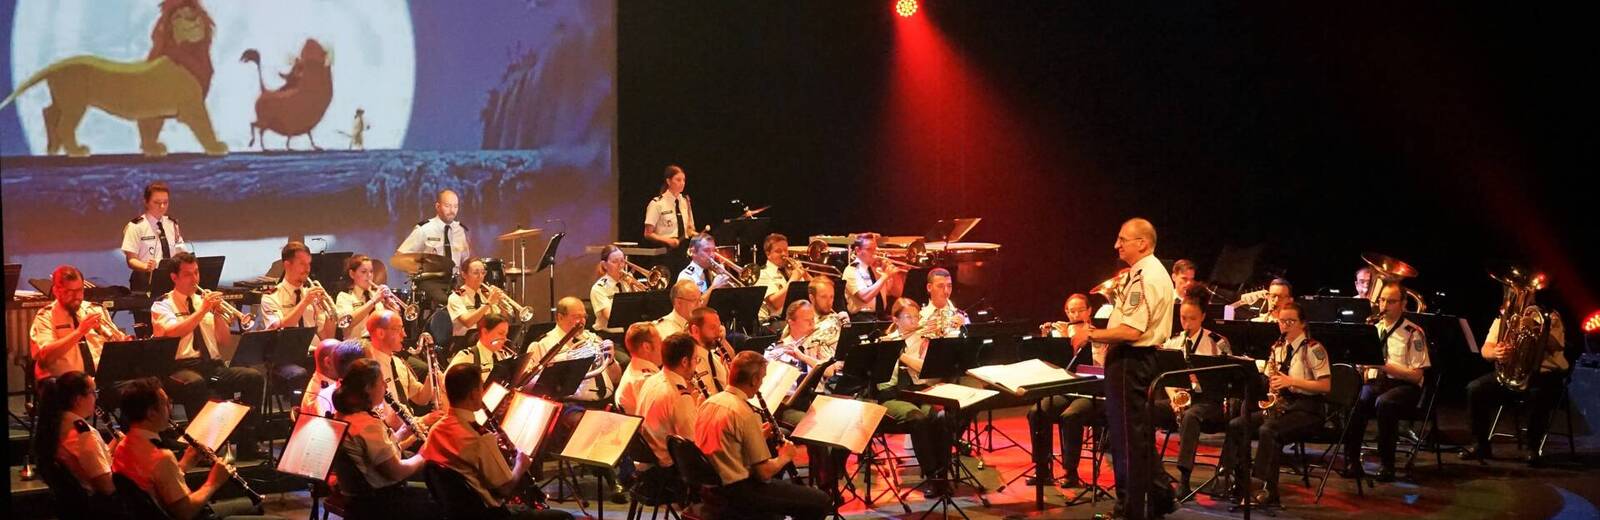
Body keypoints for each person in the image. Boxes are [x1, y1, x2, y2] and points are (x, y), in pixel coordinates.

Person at [1070, 218, 1176, 519]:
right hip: (1137, 361)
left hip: (1131, 361)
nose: (1117, 245)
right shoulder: (1149, 272)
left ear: (1142, 242)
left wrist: (1091, 333)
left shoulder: (1144, 275)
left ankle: (1129, 508)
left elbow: (1131, 330)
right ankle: (1160, 496)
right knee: (1137, 434)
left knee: (1126, 438)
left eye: (1122, 239)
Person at [420, 365, 574, 520]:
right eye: (481, 388)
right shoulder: (479, 438)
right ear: (474, 395)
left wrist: (491, 445)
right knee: (565, 517)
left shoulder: (437, 429)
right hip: (489, 515)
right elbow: (505, 488)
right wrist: (521, 465)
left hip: (454, 513)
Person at [152, 252, 267, 458]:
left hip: (212, 367)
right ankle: (202, 449)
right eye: (188, 274)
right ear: (174, 277)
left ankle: (247, 443)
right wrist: (203, 310)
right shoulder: (162, 305)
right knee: (195, 384)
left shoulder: (203, 303)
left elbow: (224, 341)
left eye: (196, 273)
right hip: (178, 369)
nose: (194, 279)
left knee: (253, 378)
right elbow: (174, 331)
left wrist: (216, 314)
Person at [112, 377, 276, 520]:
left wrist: (184, 464)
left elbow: (158, 485)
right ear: (151, 413)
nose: (170, 408)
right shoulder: (161, 456)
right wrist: (214, 481)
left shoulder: (122, 446)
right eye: (166, 403)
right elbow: (186, 512)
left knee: (255, 507)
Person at [693, 351, 831, 520]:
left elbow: (726, 442)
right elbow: (763, 473)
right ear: (753, 380)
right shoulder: (744, 412)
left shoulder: (709, 402)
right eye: (762, 378)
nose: (762, 383)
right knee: (821, 502)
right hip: (738, 493)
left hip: (711, 489)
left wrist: (758, 436)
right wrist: (785, 457)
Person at [1219, 303, 1329, 506]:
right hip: (1283, 405)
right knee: (1237, 425)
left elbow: (1325, 385)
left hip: (1308, 408)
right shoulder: (1277, 348)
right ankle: (1235, 480)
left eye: (1291, 321)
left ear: (1302, 324)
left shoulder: (1314, 349)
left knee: (1269, 430)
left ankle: (1262, 486)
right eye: (1282, 321)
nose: (1285, 326)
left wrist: (1291, 381)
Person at [330, 359, 441, 519]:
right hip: (380, 505)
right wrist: (424, 454)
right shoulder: (367, 425)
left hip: (357, 503)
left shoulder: (342, 415)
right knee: (440, 504)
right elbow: (397, 472)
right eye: (382, 382)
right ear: (368, 388)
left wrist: (402, 432)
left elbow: (376, 456)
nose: (386, 387)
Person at [1461, 303, 1569, 465]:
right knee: (1475, 388)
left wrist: (1534, 327)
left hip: (1543, 375)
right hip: (1512, 373)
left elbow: (1555, 345)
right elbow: (1486, 350)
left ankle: (1531, 447)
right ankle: (1480, 444)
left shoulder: (1549, 316)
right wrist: (1496, 353)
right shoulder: (1505, 317)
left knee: (1538, 394)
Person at [1344, 284, 1430, 481]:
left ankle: (1387, 464)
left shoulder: (1413, 332)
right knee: (1355, 402)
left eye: (1391, 301)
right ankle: (1352, 462)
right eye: (1382, 300)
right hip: (1377, 383)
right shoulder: (1374, 328)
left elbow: (1417, 376)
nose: (1384, 305)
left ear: (1403, 304)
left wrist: (1384, 366)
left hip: (1404, 386)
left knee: (1385, 403)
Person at [1154, 299, 1233, 496]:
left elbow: (1228, 379)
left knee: (1190, 416)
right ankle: (1153, 471)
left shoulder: (1217, 343)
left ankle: (1184, 479)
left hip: (1209, 401)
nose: (1187, 324)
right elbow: (1167, 377)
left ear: (1203, 317)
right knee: (1146, 409)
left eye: (1192, 318)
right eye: (1183, 318)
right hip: (1180, 398)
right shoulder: (1173, 341)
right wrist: (1173, 397)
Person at [1028, 293, 1102, 488]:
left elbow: (1101, 365)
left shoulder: (1099, 333)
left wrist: (1087, 341)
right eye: (1071, 311)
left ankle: (1071, 472)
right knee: (1037, 412)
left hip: (1089, 389)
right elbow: (1050, 366)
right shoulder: (1061, 334)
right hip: (1065, 389)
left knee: (1071, 416)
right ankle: (1043, 469)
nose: (1075, 314)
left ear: (1089, 311)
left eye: (1080, 310)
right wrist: (1051, 340)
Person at [31, 371, 120, 516]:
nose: (96, 397)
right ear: (78, 399)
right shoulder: (84, 434)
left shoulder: (57, 424)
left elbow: (88, 461)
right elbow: (107, 487)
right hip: (99, 509)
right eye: (93, 392)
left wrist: (115, 444)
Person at [260, 241, 337, 396]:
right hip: (286, 358)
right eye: (302, 264)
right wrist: (304, 302)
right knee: (300, 374)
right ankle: (301, 418)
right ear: (287, 265)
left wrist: (331, 314)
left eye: (309, 264)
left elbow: (326, 336)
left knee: (343, 366)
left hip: (314, 354)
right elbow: (280, 327)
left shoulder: (312, 295)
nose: (307, 269)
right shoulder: (271, 297)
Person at [31, 265, 128, 380]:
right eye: (70, 291)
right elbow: (45, 357)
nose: (77, 296)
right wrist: (79, 332)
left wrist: (123, 341)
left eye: (80, 290)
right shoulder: (46, 316)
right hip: (65, 383)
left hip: (101, 379)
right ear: (56, 291)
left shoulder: (94, 309)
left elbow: (119, 343)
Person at [396, 189, 471, 304]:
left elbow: (466, 262)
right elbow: (400, 256)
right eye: (448, 206)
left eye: (455, 206)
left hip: (453, 282)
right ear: (437, 206)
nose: (452, 211)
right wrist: (417, 270)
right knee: (449, 302)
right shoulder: (424, 229)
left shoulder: (460, 230)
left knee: (469, 301)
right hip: (430, 281)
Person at [121, 181, 190, 294]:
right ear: (146, 202)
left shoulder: (172, 224)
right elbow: (131, 260)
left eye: (165, 202)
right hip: (145, 281)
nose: (162, 206)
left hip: (171, 280)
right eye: (157, 202)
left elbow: (180, 251)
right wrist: (145, 266)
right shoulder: (135, 226)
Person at [643, 165, 696, 275]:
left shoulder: (685, 201)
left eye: (684, 180)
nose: (682, 183)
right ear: (668, 181)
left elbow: (690, 229)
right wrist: (668, 240)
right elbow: (648, 233)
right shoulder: (657, 203)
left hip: (684, 252)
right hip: (666, 253)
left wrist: (698, 235)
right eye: (678, 180)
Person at [842, 234, 903, 321]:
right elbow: (865, 297)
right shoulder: (852, 270)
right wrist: (885, 276)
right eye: (869, 249)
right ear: (858, 250)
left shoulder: (879, 269)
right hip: (862, 318)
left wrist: (894, 273)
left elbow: (897, 293)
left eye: (875, 249)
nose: (874, 253)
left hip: (881, 316)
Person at [447, 258, 504, 338]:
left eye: (483, 273)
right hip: (464, 342)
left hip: (486, 340)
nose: (480, 276)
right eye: (476, 273)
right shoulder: (456, 296)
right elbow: (468, 322)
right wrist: (488, 303)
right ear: (464, 275)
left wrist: (501, 304)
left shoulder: (485, 294)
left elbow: (498, 321)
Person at [448, 315, 514, 383]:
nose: (505, 339)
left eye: (506, 334)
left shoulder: (501, 357)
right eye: (501, 333)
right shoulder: (466, 357)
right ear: (484, 332)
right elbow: (445, 387)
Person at [754, 233, 804, 323]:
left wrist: (805, 274)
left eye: (786, 250)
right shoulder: (762, 274)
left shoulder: (790, 271)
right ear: (768, 254)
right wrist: (794, 278)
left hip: (795, 320)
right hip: (773, 323)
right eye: (778, 251)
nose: (784, 254)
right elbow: (775, 304)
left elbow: (813, 292)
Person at [614, 323, 663, 414]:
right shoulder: (645, 381)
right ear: (647, 347)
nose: (664, 346)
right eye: (660, 341)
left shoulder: (633, 369)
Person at [919, 268, 969, 338]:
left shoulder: (962, 316)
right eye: (940, 286)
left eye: (949, 286)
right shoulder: (919, 317)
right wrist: (919, 334)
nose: (946, 291)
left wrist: (964, 329)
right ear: (929, 287)